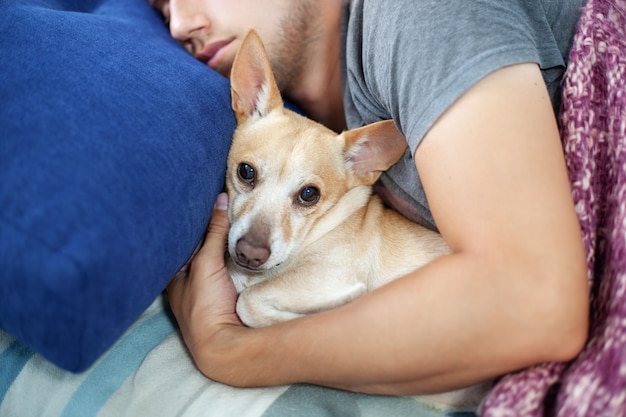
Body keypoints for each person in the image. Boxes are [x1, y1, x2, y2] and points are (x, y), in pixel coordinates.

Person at [149, 0, 589, 398]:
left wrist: (229, 351)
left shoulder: (419, 13)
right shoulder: (315, 134)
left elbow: (536, 300)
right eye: (160, 6)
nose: (179, 25)